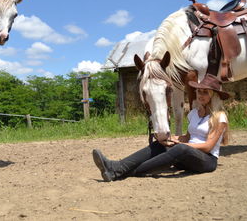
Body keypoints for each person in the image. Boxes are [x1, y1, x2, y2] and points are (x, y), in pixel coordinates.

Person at [92, 73, 230, 182]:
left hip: (206, 161)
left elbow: (207, 146)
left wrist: (182, 145)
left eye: (205, 92)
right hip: (186, 157)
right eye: (199, 91)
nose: (200, 95)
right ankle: (116, 167)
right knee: (160, 144)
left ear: (214, 95)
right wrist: (170, 139)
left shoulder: (219, 117)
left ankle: (119, 171)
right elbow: (187, 137)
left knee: (180, 148)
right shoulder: (193, 113)